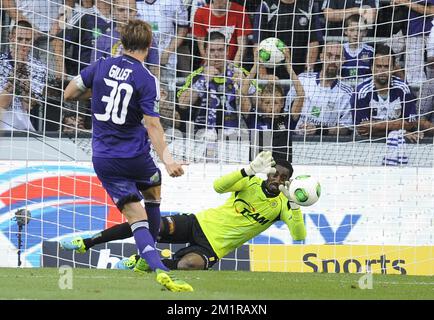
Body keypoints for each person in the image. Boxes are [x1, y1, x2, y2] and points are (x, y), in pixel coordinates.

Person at [63, 19, 192, 292]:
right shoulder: (147, 79)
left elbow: (69, 93)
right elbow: (153, 124)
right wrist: (168, 160)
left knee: (136, 218)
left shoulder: (99, 66)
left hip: (104, 159)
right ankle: (152, 263)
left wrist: (97, 92)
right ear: (149, 46)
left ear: (121, 43)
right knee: (154, 195)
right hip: (135, 156)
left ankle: (153, 265)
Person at [60, 152, 307, 272]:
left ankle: (145, 261)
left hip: (213, 248)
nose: (278, 179)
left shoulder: (284, 206)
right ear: (269, 172)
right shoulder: (250, 182)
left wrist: (294, 205)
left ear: (288, 181)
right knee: (147, 224)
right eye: (275, 174)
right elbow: (218, 186)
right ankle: (87, 241)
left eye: (283, 178)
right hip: (199, 223)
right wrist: (248, 170)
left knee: (191, 264)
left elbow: (298, 235)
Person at [177, 31, 257, 134]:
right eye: (212, 50)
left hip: (235, 135)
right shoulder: (197, 75)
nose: (216, 55)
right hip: (203, 135)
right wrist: (203, 80)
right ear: (205, 52)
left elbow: (258, 103)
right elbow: (182, 104)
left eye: (220, 50)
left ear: (227, 50)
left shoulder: (239, 73)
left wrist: (245, 86)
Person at [352, 43, 432, 139]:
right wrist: (401, 131)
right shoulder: (361, 92)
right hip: (365, 145)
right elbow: (363, 130)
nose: (382, 71)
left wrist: (375, 125)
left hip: (397, 143)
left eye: (386, 67)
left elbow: (410, 124)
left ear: (393, 68)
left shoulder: (403, 89)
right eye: (378, 66)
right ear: (372, 67)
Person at [285, 42, 353, 136]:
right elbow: (286, 112)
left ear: (343, 60)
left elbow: (346, 128)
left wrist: (318, 130)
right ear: (321, 57)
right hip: (295, 139)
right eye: (329, 55)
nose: (333, 61)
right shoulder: (302, 80)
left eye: (337, 57)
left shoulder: (347, 92)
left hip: (325, 143)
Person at [93, 0, 160, 78]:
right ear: (113, 10)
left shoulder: (147, 37)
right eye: (121, 10)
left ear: (136, 12)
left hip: (139, 86)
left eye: (130, 11)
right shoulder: (102, 40)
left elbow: (154, 70)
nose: (126, 15)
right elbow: (95, 72)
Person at [0, 20, 47, 132]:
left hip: (24, 129)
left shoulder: (39, 68)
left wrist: (23, 69)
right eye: (19, 39)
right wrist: (17, 70)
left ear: (32, 42)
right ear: (11, 38)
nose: (23, 44)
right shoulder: (1, 63)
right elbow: (2, 103)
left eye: (27, 40)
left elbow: (28, 105)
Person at [253, 0, 319, 77]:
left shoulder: (309, 6)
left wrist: (307, 74)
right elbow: (258, 44)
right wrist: (264, 76)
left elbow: (313, 42)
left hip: (300, 72)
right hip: (272, 73)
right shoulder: (265, 6)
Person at [341, 14, 374, 88]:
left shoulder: (371, 52)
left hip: (364, 90)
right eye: (352, 30)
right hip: (343, 90)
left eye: (360, 30)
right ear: (345, 31)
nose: (355, 34)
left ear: (365, 33)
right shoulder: (339, 50)